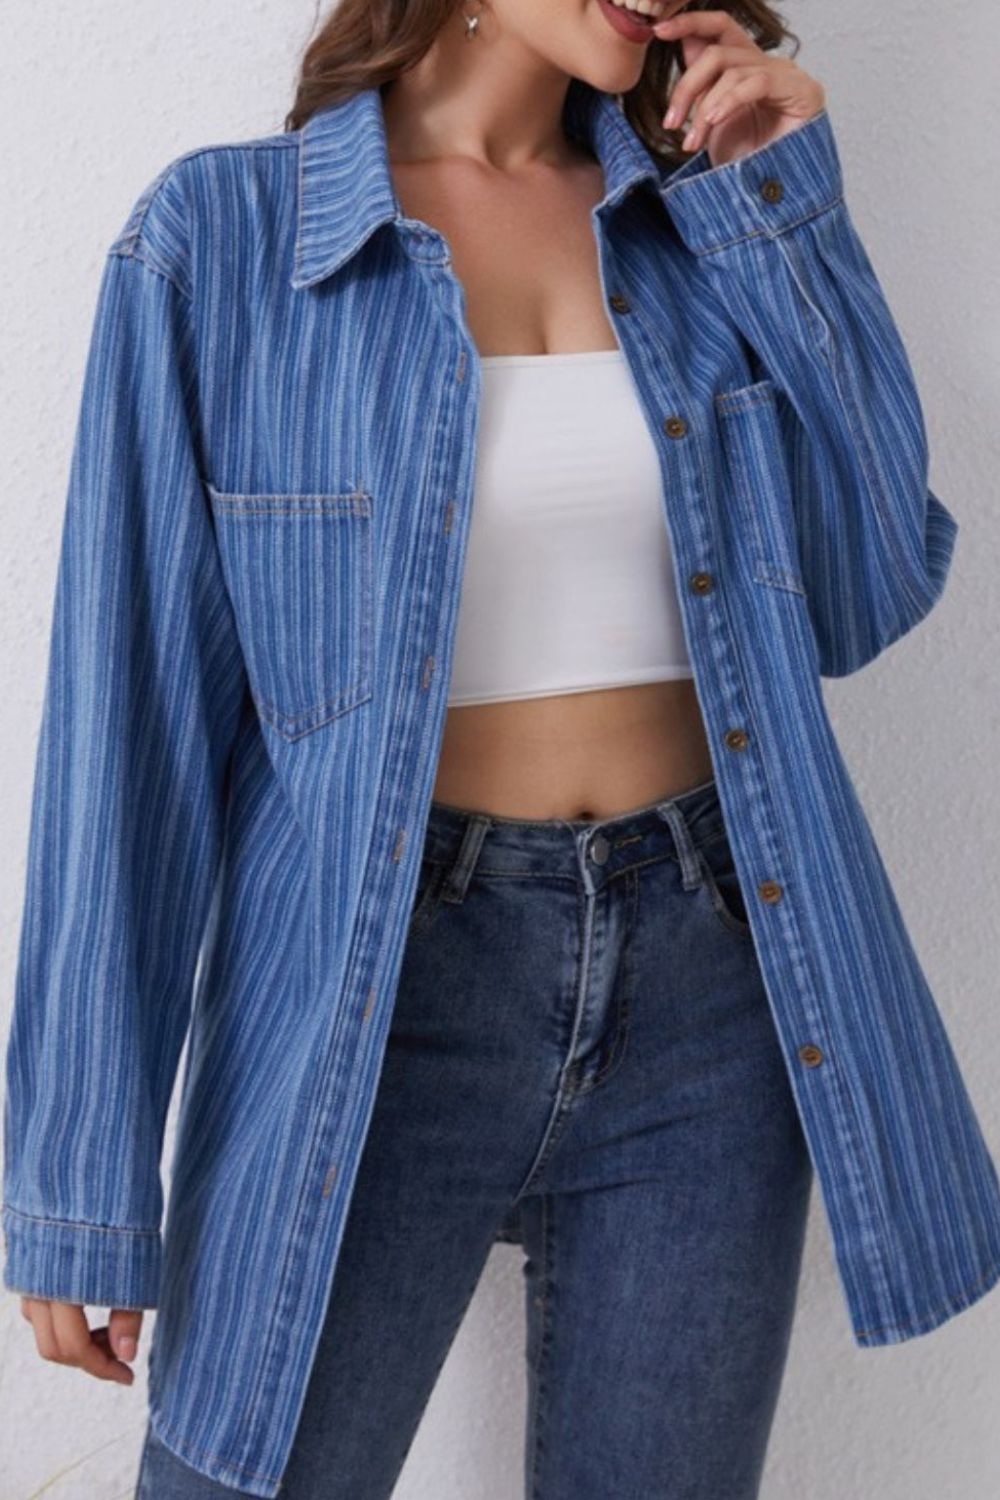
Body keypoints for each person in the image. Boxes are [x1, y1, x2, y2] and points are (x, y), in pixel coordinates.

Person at [5, 1, 1000, 1497]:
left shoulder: (703, 222)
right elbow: (128, 724)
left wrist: (786, 214)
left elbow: (869, 588)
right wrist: (79, 1180)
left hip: (714, 997)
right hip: (376, 998)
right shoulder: (223, 240)